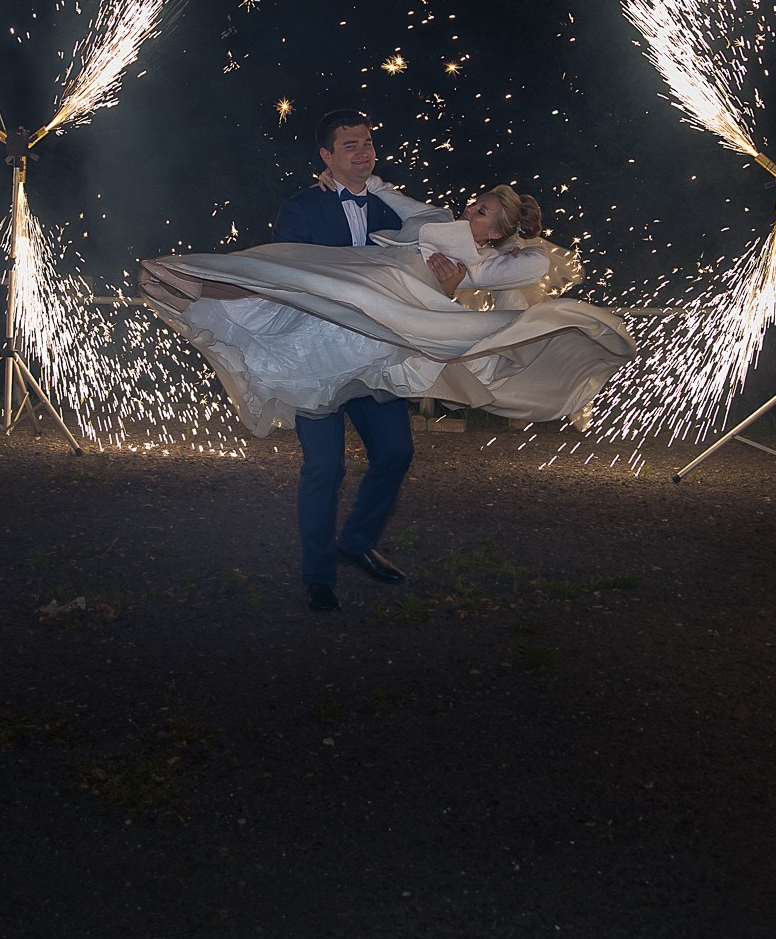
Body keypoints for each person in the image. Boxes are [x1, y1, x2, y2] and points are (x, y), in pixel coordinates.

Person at [140, 109, 634, 612]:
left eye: (368, 142)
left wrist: (447, 289)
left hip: (379, 359)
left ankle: (355, 543)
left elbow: (459, 269)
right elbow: (282, 273)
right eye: (350, 145)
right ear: (327, 156)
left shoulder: (393, 209)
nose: (363, 151)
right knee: (324, 467)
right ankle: (318, 574)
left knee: (396, 454)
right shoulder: (301, 209)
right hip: (319, 357)